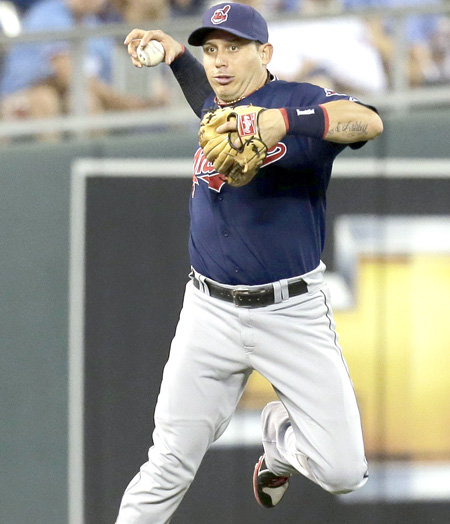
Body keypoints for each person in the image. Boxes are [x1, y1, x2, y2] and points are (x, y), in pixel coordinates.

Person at [117, 2, 383, 522]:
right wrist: (176, 56)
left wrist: (282, 121)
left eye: (233, 48)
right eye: (212, 49)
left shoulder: (293, 100)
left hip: (290, 312)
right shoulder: (217, 106)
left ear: (264, 52)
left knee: (345, 472)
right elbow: (206, 100)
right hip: (208, 312)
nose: (219, 61)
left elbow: (368, 121)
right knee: (168, 461)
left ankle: (280, 443)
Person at [0, 0, 165, 140]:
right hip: (23, 94)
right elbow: (69, 75)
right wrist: (124, 101)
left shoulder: (93, 23)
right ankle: (50, 167)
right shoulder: (48, 15)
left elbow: (114, 72)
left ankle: (98, 169)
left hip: (68, 93)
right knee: (47, 100)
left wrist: (147, 90)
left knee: (87, 101)